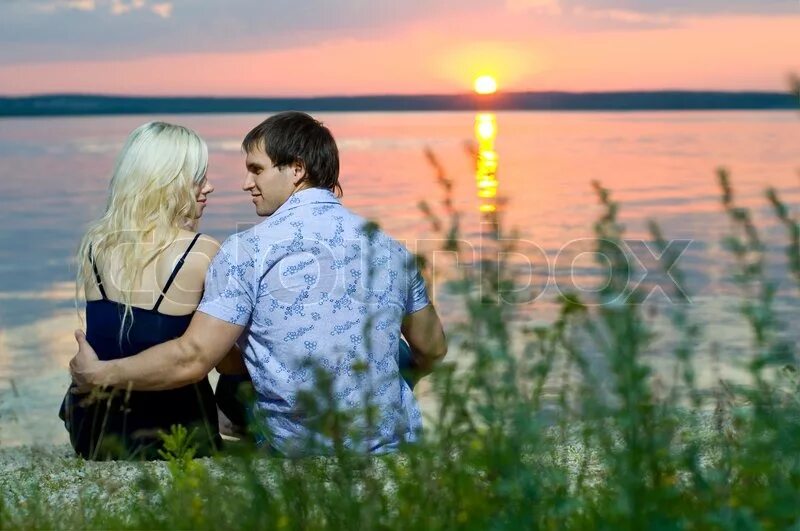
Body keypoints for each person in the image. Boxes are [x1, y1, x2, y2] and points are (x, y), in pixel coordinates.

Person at [70, 111, 447, 456]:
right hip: (390, 441)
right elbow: (432, 349)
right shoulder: (392, 249)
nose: (245, 183)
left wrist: (100, 374)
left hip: (294, 445)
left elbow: (196, 357)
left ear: (296, 170)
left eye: (256, 170)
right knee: (389, 348)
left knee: (241, 354)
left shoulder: (245, 250)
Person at [59, 121, 234, 460]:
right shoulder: (200, 252)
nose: (209, 187)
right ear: (167, 182)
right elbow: (219, 360)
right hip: (172, 438)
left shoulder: (96, 244)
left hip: (95, 433)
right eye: (198, 178)